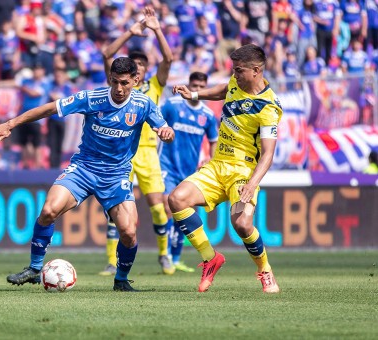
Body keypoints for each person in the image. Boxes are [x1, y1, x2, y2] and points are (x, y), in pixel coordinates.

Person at [0, 57, 175, 292]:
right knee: (48, 211)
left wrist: (167, 133)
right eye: (114, 82)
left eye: (125, 83)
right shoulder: (92, 98)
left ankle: (121, 280)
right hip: (84, 168)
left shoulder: (143, 104)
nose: (118, 89)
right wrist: (11, 124)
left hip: (116, 176)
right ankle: (35, 269)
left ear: (135, 80)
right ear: (109, 78)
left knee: (128, 231)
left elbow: (164, 128)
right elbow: (50, 108)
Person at [170, 44, 283, 293]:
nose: (235, 74)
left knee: (242, 224)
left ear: (256, 71)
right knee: (177, 199)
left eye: (239, 71)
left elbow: (268, 154)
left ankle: (265, 270)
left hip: (242, 172)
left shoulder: (268, 108)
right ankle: (210, 259)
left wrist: (252, 184)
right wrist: (194, 96)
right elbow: (225, 90)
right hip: (217, 164)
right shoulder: (236, 81)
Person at [100, 6, 174, 276]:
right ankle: (111, 261)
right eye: (136, 65)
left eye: (143, 65)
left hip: (148, 153)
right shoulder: (120, 87)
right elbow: (108, 54)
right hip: (121, 153)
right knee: (115, 211)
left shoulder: (155, 86)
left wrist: (156, 29)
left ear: (144, 72)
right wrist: (130, 32)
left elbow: (168, 58)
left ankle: (164, 255)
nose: (140, 68)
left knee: (157, 206)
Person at [160, 72, 218, 273]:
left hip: (190, 170)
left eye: (201, 86)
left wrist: (209, 159)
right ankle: (165, 254)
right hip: (166, 165)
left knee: (183, 212)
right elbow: (155, 121)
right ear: (189, 85)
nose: (197, 89)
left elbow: (213, 141)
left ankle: (176, 258)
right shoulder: (172, 105)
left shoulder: (208, 116)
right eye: (194, 85)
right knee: (168, 207)